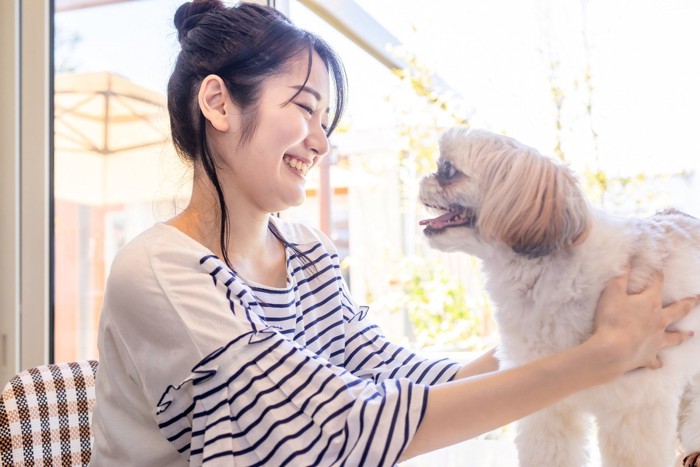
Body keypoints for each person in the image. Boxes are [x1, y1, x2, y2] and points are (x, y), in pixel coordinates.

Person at [89, 1, 697, 466]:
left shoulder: (305, 252)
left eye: (326, 120)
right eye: (304, 107)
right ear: (219, 105)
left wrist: (576, 327)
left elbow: (398, 378)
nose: (321, 141)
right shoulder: (161, 271)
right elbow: (332, 432)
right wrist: (603, 355)